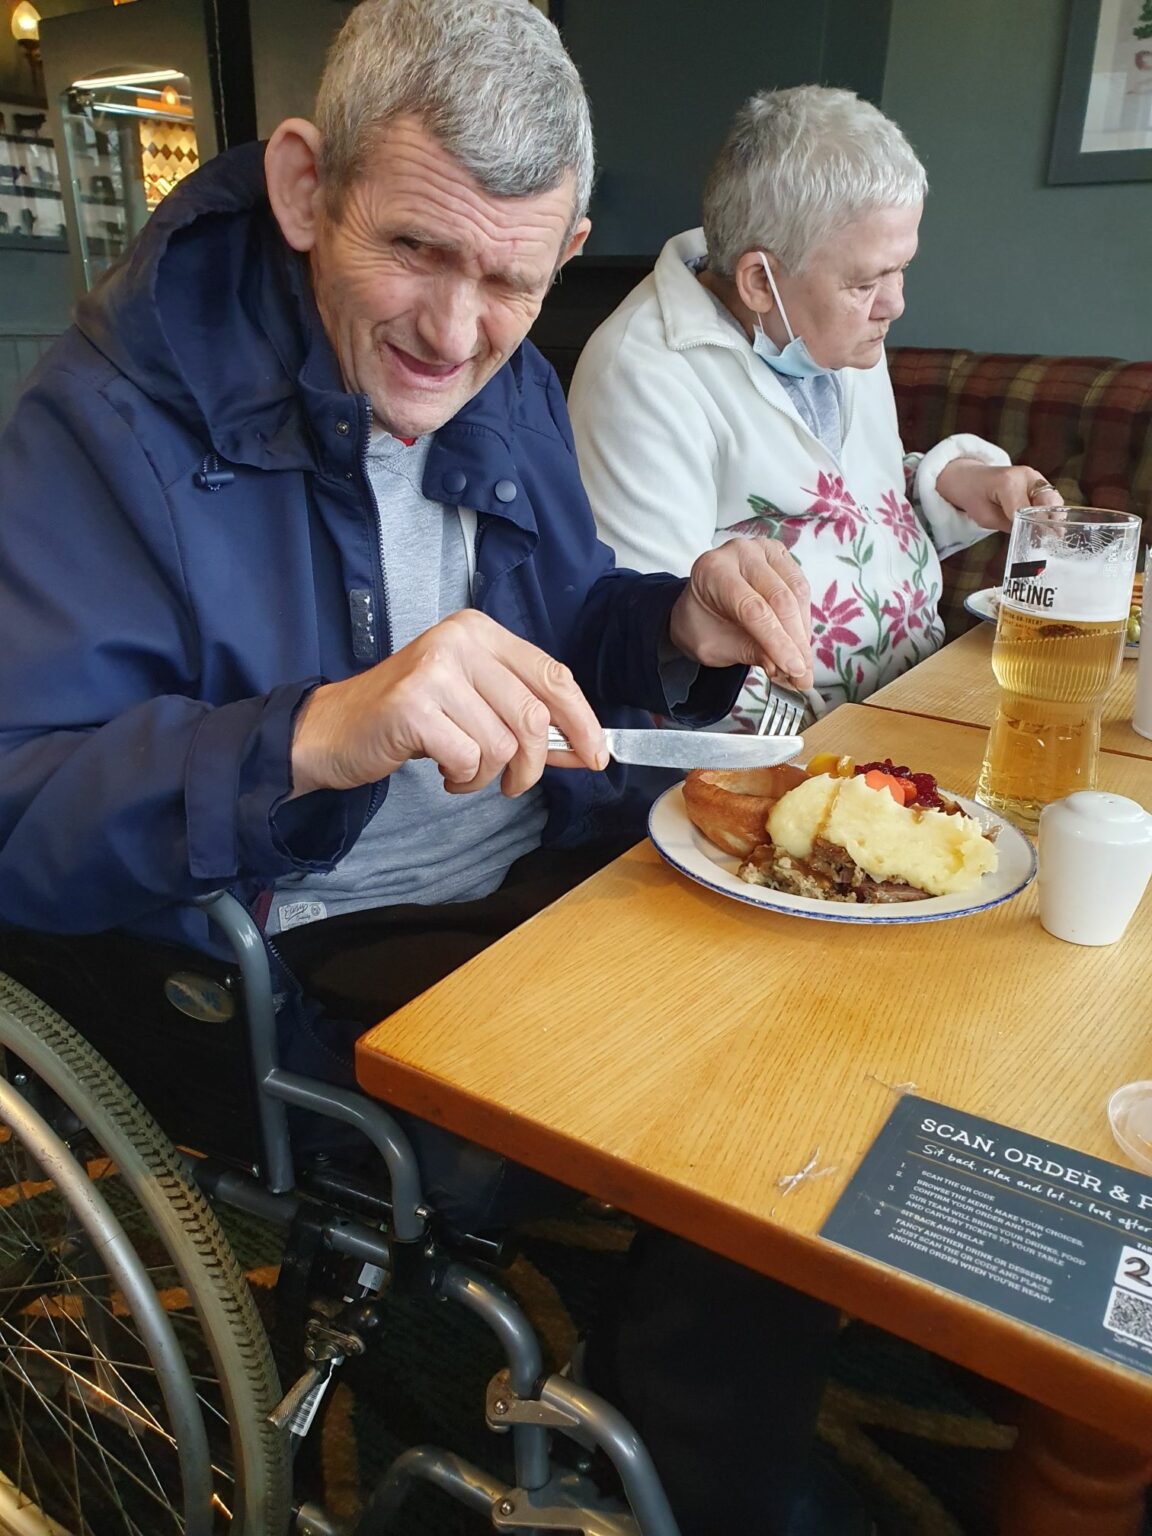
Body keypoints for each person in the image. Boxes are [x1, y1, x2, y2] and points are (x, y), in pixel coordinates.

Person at [0, 5, 868, 1534]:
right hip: (297, 958)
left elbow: (560, 640)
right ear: (303, 186)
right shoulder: (106, 419)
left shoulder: (506, 379)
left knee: (827, 1005)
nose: (456, 332)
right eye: (413, 248)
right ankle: (703, 1474)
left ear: (567, 249)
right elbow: (20, 806)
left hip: (549, 865)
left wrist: (671, 621)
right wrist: (321, 730)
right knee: (748, 1108)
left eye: (512, 280)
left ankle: (674, 1422)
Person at [569, 85, 1062, 729]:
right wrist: (828, 752)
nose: (895, 304)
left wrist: (960, 484)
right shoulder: (642, 375)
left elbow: (850, 511)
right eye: (866, 282)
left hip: (918, 696)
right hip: (796, 749)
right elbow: (661, 643)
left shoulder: (828, 331)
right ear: (758, 280)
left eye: (901, 268)